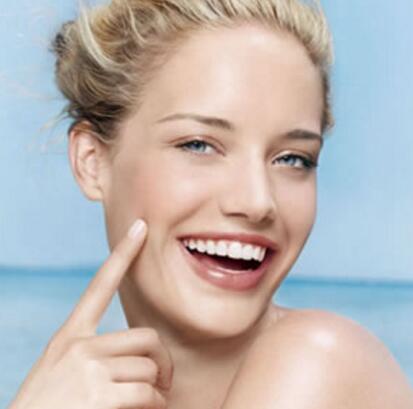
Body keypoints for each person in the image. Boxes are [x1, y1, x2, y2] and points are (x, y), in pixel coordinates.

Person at [8, 0, 413, 408]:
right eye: (199, 145)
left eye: (293, 158)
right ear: (92, 161)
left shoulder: (319, 359)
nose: (257, 201)